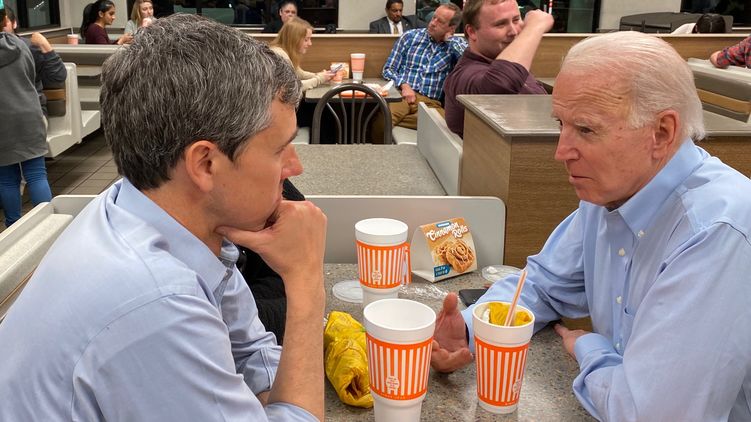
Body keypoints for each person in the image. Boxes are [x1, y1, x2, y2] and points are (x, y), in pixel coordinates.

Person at [0, 14, 326, 421]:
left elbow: (249, 350)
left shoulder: (141, 207)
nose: (295, 167)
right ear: (205, 164)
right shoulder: (155, 302)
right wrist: (307, 282)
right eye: (280, 149)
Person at [431, 30, 751, 421]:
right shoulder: (613, 191)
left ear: (662, 132)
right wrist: (469, 329)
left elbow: (649, 414)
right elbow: (543, 284)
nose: (561, 152)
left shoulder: (715, 230)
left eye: (585, 129)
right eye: (561, 124)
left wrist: (589, 348)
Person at [443, 0, 551, 138]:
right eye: (501, 24)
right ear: (472, 32)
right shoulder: (462, 75)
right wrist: (534, 27)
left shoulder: (507, 60)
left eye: (516, 20)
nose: (513, 31)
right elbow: (500, 84)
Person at [373, 3, 466, 141]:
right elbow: (388, 69)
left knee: (448, 128)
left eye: (440, 21)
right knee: (382, 123)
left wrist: (450, 40)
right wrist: (404, 85)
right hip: (402, 96)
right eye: (434, 17)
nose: (433, 23)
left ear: (451, 28)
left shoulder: (455, 45)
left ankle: (411, 121)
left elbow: (469, 63)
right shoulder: (410, 37)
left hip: (430, 102)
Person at [0, 9, 53, 228]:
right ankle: (48, 224)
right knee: (36, 174)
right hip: (29, 113)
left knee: (7, 178)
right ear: (5, 20)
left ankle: (13, 227)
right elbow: (31, 77)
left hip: (2, 121)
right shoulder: (21, 45)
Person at [1, 5, 67, 122]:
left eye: (3, 21)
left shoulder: (29, 48)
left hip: (30, 115)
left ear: (14, 23)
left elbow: (58, 76)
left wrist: (45, 46)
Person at [269, 16, 333, 92]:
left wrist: (321, 75)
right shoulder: (280, 56)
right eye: (306, 40)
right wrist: (319, 79)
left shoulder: (285, 52)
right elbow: (291, 88)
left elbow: (299, 73)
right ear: (294, 39)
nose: (310, 43)